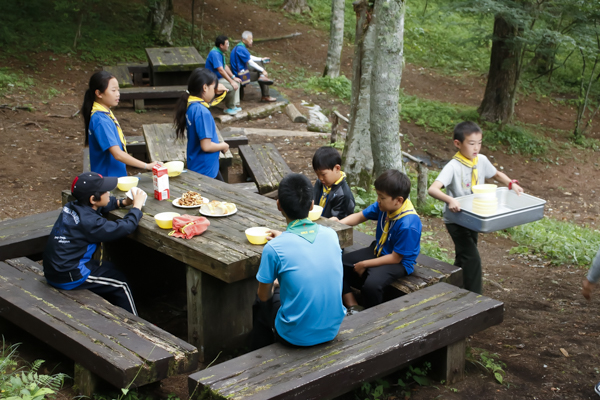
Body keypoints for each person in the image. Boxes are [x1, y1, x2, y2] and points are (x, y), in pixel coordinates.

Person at [250, 173, 346, 350]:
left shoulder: (273, 249)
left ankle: (259, 352)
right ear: (311, 205)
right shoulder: (331, 235)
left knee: (260, 299)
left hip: (295, 336)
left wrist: (276, 284)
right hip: (331, 329)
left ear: (278, 205)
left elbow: (264, 295)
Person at [428, 121, 524, 294]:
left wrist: (511, 183)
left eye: (479, 143)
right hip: (456, 220)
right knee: (473, 258)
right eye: (471, 143)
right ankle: (475, 298)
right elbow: (433, 189)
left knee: (464, 256)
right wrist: (450, 199)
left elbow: (495, 174)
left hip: (474, 218)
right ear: (458, 143)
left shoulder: (481, 160)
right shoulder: (453, 166)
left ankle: (452, 287)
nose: (476, 148)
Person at [43, 172, 147, 315]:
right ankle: (135, 324)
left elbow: (101, 205)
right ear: (93, 198)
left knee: (113, 268)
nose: (108, 193)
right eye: (105, 191)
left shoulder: (73, 206)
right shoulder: (91, 223)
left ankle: (115, 308)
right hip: (70, 274)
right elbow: (124, 227)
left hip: (57, 268)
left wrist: (123, 202)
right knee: (121, 283)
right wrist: (136, 207)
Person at [333, 170, 422, 312]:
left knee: (372, 285)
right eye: (378, 195)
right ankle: (353, 305)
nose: (378, 200)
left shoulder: (409, 224)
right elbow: (360, 216)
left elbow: (395, 258)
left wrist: (364, 264)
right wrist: (336, 226)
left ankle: (373, 316)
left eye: (382, 197)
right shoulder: (384, 207)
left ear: (398, 200)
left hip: (399, 262)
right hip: (379, 250)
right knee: (337, 263)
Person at [81, 71, 159, 177]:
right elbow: (117, 154)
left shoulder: (104, 114)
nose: (118, 94)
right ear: (99, 93)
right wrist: (147, 166)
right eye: (113, 90)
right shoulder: (101, 120)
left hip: (114, 178)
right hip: (108, 181)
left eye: (118, 90)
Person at [173, 68, 230, 181]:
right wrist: (223, 145)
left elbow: (207, 101)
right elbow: (206, 146)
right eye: (213, 88)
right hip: (205, 171)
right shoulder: (202, 112)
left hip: (199, 165)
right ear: (204, 87)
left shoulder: (192, 105)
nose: (215, 91)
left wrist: (217, 91)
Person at [230, 31, 276, 103]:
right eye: (250, 39)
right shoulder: (241, 48)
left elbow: (249, 57)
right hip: (240, 75)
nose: (251, 41)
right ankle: (265, 96)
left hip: (240, 70)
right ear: (244, 40)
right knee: (261, 75)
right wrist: (262, 70)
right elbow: (250, 62)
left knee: (260, 64)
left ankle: (262, 76)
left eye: (252, 39)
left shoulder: (240, 46)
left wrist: (260, 59)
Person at [312, 146, 355, 220]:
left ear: (337, 168)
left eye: (323, 174)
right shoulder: (320, 183)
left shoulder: (343, 195)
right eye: (317, 174)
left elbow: (339, 221)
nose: (320, 178)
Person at [204, 35, 243, 115]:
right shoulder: (215, 54)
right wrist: (231, 81)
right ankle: (228, 108)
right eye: (227, 44)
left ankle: (233, 105)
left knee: (237, 82)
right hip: (212, 80)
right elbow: (221, 70)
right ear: (221, 45)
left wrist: (233, 77)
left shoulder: (219, 52)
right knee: (231, 86)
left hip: (218, 78)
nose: (228, 45)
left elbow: (224, 66)